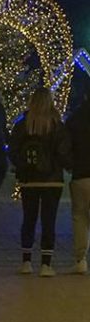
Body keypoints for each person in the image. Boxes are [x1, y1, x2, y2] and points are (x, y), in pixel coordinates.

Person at [8, 87, 72, 277]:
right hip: (52, 180)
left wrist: (22, 167)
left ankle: (26, 261)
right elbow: (63, 152)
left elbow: (12, 150)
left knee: (29, 219)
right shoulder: (57, 125)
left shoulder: (23, 125)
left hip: (29, 179)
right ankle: (46, 264)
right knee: (48, 220)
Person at [66, 90, 90, 274]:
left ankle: (81, 259)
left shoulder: (75, 118)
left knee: (79, 216)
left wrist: (70, 165)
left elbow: (66, 146)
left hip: (81, 173)